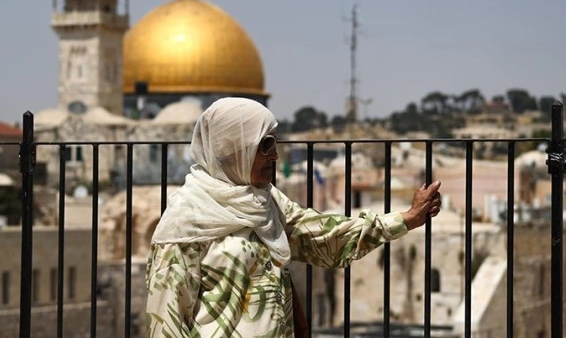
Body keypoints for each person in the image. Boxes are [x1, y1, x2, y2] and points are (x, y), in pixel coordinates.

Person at [145, 97, 441, 337]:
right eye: (265, 145)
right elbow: (165, 321)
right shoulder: (185, 222)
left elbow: (324, 236)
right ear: (233, 149)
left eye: (275, 143)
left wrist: (405, 220)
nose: (275, 155)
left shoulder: (268, 202)